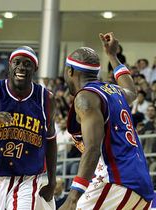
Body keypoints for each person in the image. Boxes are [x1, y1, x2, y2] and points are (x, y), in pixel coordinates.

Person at [59, 32, 154, 209]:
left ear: (69, 71)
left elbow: (93, 149)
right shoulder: (113, 91)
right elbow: (131, 92)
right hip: (138, 183)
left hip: (115, 180)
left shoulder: (85, 97)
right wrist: (112, 55)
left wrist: (72, 197)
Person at [0, 46, 57, 210]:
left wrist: (52, 181)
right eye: (17, 62)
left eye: (27, 64)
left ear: (35, 68)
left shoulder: (46, 99)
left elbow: (51, 141)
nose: (21, 67)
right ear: (9, 65)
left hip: (26, 179)